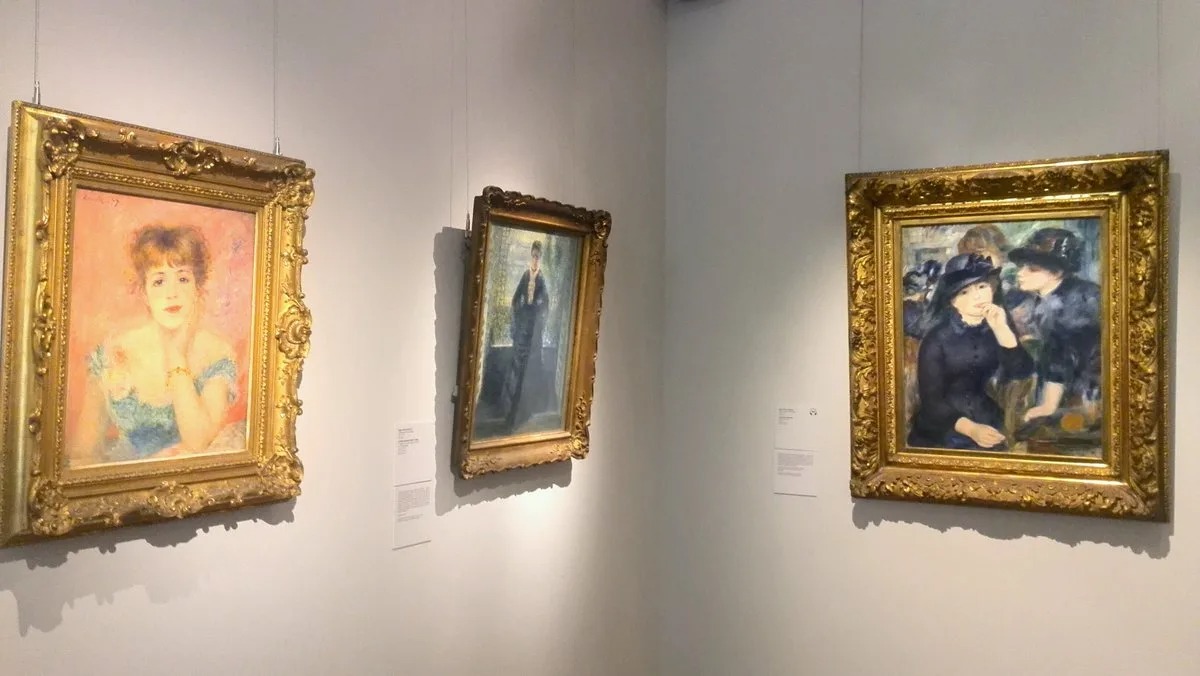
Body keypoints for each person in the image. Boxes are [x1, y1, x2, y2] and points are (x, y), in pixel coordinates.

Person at [68, 224, 240, 465]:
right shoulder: (114, 353)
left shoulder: (216, 353)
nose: (172, 293)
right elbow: (83, 451)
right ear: (144, 293)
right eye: (159, 282)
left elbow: (198, 442)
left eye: (183, 279)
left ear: (197, 288)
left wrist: (177, 355)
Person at [907, 253, 1034, 451]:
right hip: (942, 425)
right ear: (952, 301)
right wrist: (972, 429)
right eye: (965, 292)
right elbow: (932, 402)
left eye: (982, 286)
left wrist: (1002, 330)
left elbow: (1021, 372)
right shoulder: (937, 339)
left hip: (987, 416)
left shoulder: (996, 326)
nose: (977, 296)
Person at [1007, 228, 1102, 439]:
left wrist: (1048, 405)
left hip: (1086, 397)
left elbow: (1060, 358)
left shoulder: (1069, 305)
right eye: (1021, 266)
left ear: (1057, 273)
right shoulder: (1065, 293)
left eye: (1032, 269)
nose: (1020, 273)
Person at [500, 240, 551, 433]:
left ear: (540, 258)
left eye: (538, 256)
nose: (535, 259)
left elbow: (545, 304)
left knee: (529, 368)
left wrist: (537, 312)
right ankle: (510, 411)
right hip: (523, 327)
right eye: (533, 256)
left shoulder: (542, 279)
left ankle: (524, 411)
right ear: (531, 256)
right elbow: (515, 299)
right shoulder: (525, 275)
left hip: (533, 330)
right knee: (517, 366)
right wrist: (520, 313)